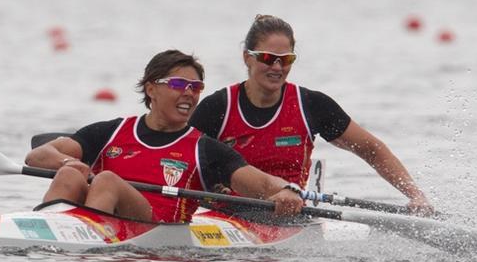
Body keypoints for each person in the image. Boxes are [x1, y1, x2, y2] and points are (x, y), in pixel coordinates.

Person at [189, 15, 434, 215]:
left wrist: (415, 195)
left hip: (290, 216)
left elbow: (372, 149)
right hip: (226, 215)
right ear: (247, 57)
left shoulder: (311, 105)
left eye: (286, 60)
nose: (277, 67)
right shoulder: (217, 108)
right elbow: (179, 155)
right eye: (268, 59)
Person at [25, 49, 304, 223]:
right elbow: (38, 156)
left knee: (107, 180)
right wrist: (67, 163)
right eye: (179, 84)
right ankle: (49, 234)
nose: (189, 93)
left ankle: (77, 241)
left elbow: (263, 183)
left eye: (196, 87)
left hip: (159, 230)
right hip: (103, 220)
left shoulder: (204, 149)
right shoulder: (111, 131)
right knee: (70, 176)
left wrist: (288, 191)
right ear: (151, 89)